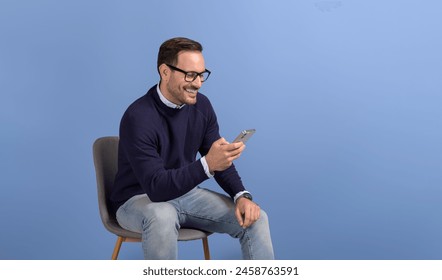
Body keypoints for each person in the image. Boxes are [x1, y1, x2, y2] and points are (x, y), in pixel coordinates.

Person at [110, 37, 274, 260]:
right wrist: (207, 165)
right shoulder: (138, 117)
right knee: (163, 214)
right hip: (137, 199)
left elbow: (218, 158)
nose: (197, 83)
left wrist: (241, 195)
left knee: (256, 216)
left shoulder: (202, 106)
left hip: (184, 194)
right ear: (165, 71)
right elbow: (157, 188)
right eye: (190, 75)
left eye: (201, 74)